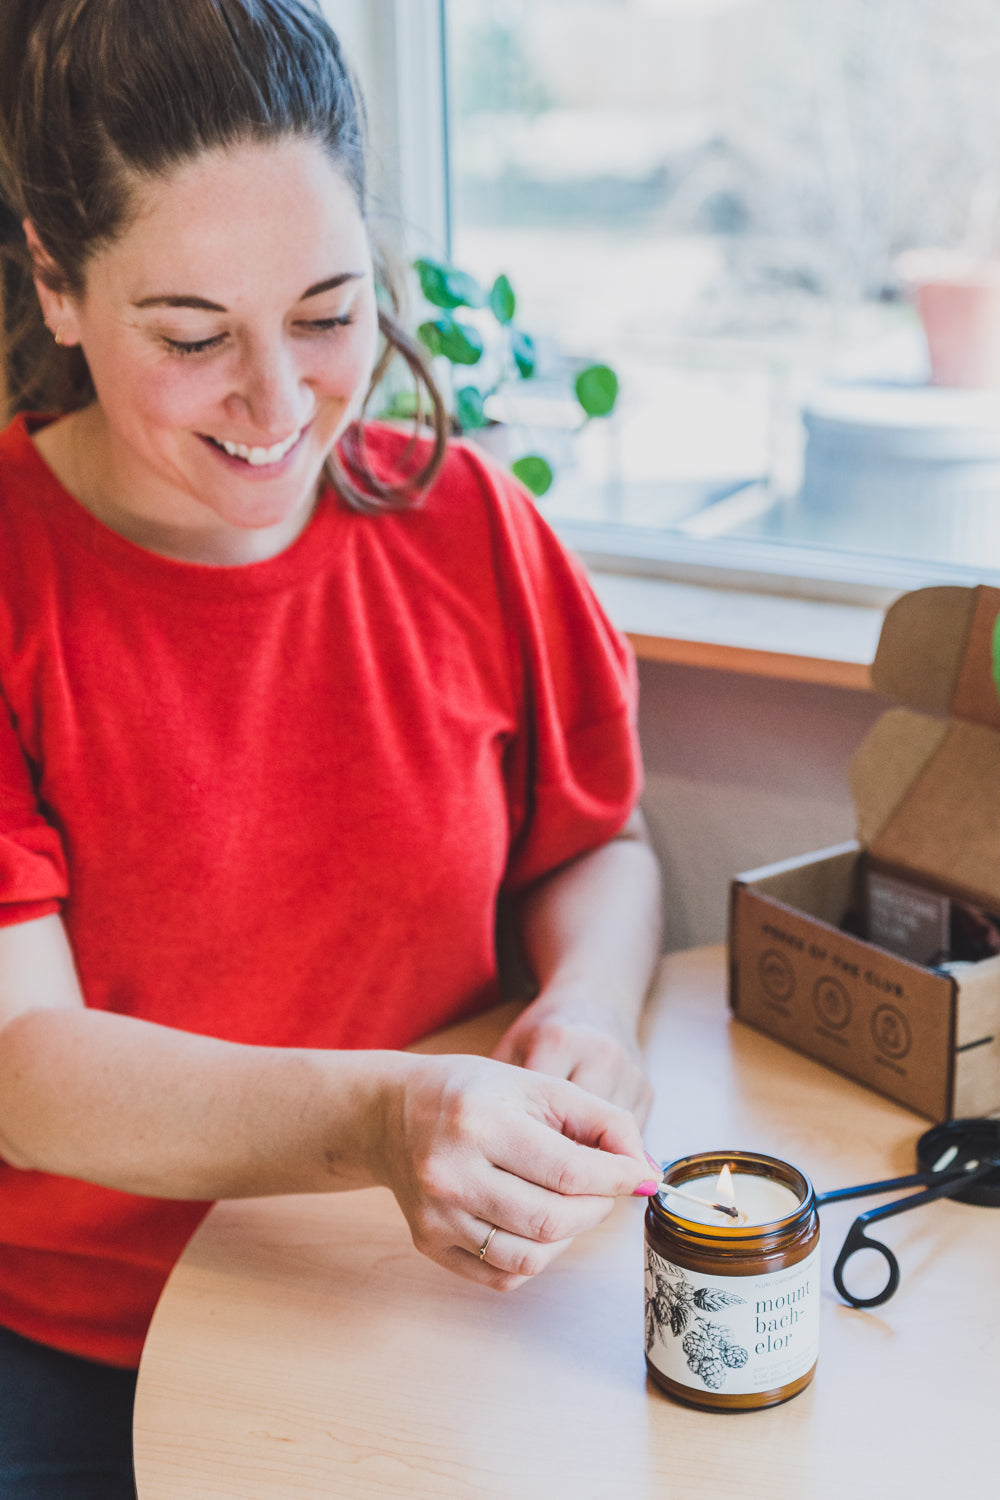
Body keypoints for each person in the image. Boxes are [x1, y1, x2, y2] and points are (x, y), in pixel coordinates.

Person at [0, 1, 663, 1494]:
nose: (281, 401)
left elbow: (595, 844)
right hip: (89, 1343)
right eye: (190, 335)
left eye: (324, 312)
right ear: (55, 278)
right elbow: (24, 1069)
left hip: (442, 1305)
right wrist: (381, 1113)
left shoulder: (466, 521)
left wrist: (593, 1011)